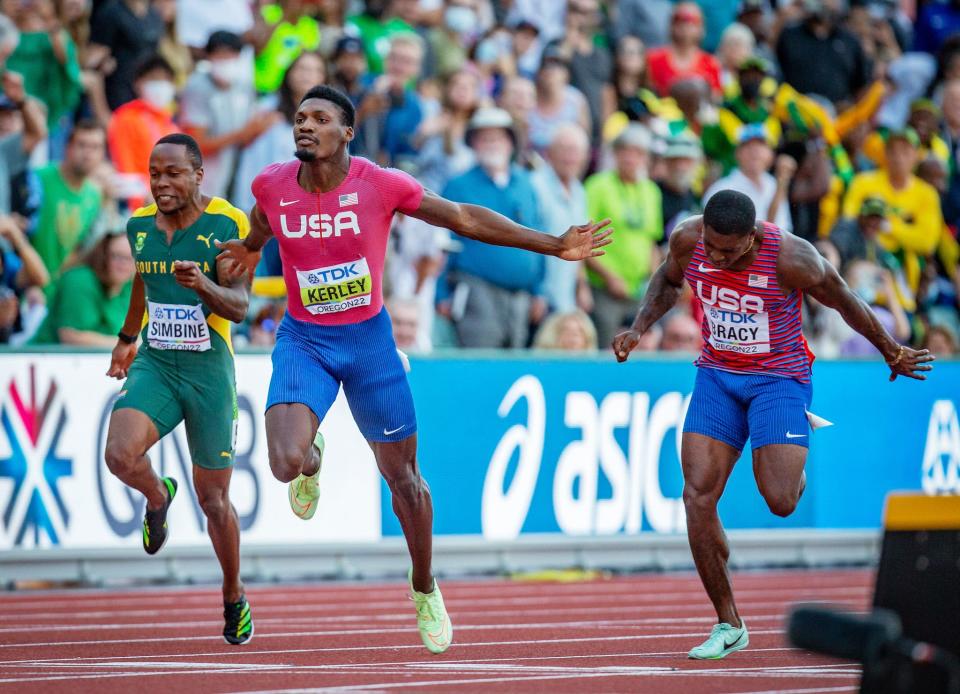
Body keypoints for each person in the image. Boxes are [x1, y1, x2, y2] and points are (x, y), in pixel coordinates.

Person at [215, 84, 611, 655]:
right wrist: (251, 248)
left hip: (370, 342)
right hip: (305, 338)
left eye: (320, 119)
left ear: (347, 133)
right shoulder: (271, 183)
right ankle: (312, 458)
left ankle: (423, 584)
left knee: (404, 481)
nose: (305, 126)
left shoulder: (380, 183)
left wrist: (552, 245)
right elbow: (260, 220)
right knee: (284, 462)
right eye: (300, 118)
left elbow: (461, 216)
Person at [611, 190, 933, 659]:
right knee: (697, 495)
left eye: (730, 250)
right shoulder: (688, 239)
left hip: (778, 378)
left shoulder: (792, 257)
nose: (718, 258)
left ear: (753, 235)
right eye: (713, 248)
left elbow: (843, 298)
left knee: (780, 500)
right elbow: (666, 281)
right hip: (717, 377)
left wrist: (890, 349)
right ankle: (729, 622)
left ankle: (789, 445)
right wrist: (639, 328)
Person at [103, 133, 254, 645]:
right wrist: (127, 338)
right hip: (158, 363)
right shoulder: (139, 225)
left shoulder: (228, 223)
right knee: (120, 455)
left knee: (214, 500)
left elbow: (239, 307)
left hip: (209, 369)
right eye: (154, 174)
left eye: (172, 174)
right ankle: (156, 495)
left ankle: (233, 594)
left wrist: (204, 286)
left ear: (197, 175)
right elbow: (143, 281)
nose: (161, 184)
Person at [438, 106, 549, 348]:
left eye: (498, 137)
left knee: (514, 365)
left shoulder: (526, 184)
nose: (491, 143)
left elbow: (540, 236)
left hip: (521, 295)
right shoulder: (458, 185)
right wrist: (441, 293)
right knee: (482, 358)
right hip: (477, 290)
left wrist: (540, 290)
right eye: (484, 138)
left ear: (511, 143)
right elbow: (443, 243)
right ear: (473, 144)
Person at [585, 123, 663, 346]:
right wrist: (610, 277)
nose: (630, 158)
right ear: (615, 154)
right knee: (607, 348)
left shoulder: (651, 190)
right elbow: (583, 238)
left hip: (638, 291)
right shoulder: (597, 185)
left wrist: (653, 279)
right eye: (625, 151)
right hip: (603, 288)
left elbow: (651, 240)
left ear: (646, 158)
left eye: (638, 153)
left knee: (640, 346)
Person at [180, 31, 276, 200]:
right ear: (208, 57)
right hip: (199, 178)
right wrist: (242, 133)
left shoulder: (243, 86)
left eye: (231, 55)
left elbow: (247, 137)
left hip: (231, 175)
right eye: (220, 55)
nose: (226, 61)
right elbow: (197, 145)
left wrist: (259, 128)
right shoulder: (197, 87)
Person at [30, 119, 105, 281]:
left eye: (95, 147)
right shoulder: (39, 178)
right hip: (27, 286)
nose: (88, 154)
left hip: (58, 290)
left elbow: (78, 249)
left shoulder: (95, 196)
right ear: (67, 147)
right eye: (82, 145)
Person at [31, 231, 134, 346]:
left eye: (131, 258)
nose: (124, 264)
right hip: (47, 358)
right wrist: (128, 344)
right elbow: (70, 336)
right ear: (103, 255)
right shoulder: (79, 280)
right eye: (117, 256)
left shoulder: (128, 287)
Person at [106, 54, 180, 207]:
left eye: (165, 79)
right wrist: (140, 208)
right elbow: (125, 166)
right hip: (139, 204)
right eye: (153, 79)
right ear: (138, 83)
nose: (160, 84)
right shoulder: (127, 117)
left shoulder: (171, 125)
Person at [703, 123, 794, 232]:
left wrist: (782, 183)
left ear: (771, 154)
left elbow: (782, 231)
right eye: (748, 146)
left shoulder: (773, 184)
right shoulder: (721, 189)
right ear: (737, 153)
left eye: (761, 145)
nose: (754, 151)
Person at [646, 3, 722, 98]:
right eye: (679, 19)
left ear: (701, 27)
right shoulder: (653, 59)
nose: (686, 26)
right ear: (671, 25)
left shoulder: (711, 63)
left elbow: (716, 99)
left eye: (693, 21)